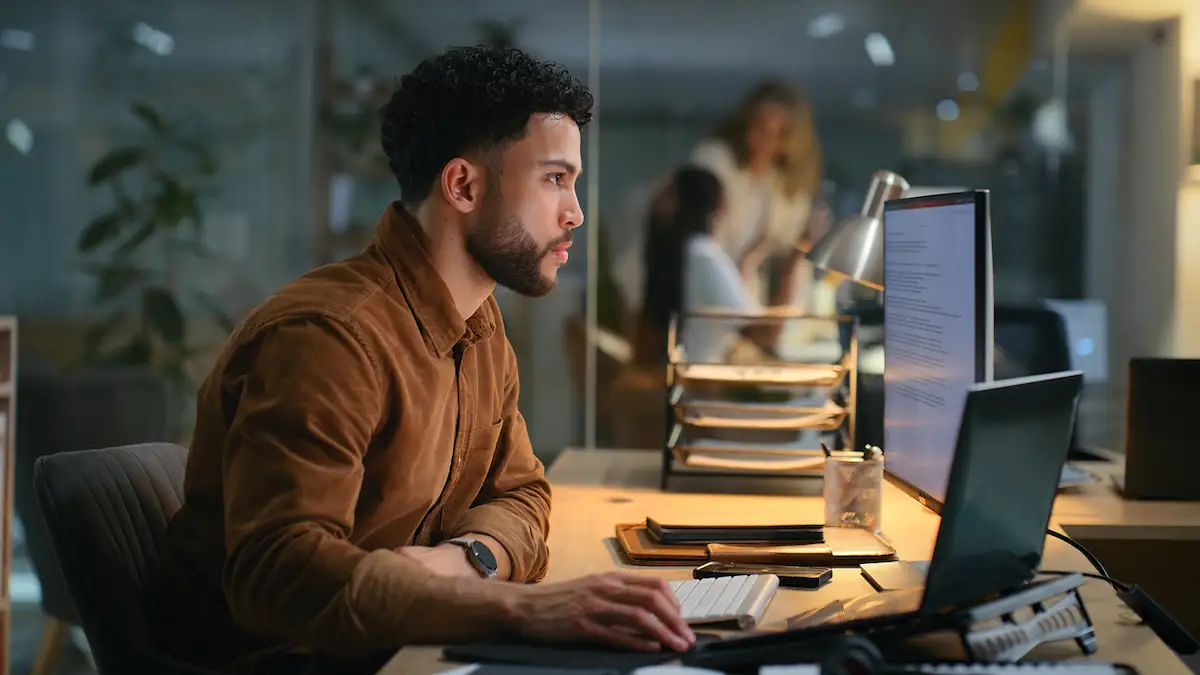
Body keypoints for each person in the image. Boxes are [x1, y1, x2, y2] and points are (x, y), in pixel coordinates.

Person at [151, 46, 694, 675]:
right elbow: (279, 575)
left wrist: (469, 561)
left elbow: (522, 496)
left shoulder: (480, 326)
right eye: (554, 179)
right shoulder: (328, 339)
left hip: (411, 647)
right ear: (463, 185)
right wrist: (519, 611)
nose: (575, 212)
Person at [614, 82, 829, 322]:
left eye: (778, 134)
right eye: (758, 126)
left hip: (724, 299)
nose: (763, 141)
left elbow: (782, 245)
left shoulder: (778, 186)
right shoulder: (715, 163)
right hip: (680, 292)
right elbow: (700, 248)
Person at [633, 166, 806, 367]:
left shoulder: (680, 253)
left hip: (675, 379)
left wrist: (751, 257)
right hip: (696, 383)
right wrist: (797, 258)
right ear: (718, 210)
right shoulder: (703, 255)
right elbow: (764, 334)